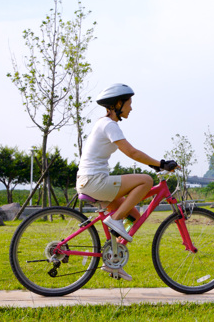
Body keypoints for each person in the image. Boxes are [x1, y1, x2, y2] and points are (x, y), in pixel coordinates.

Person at [75, 83, 178, 281]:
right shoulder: (109, 125)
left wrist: (156, 165)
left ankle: (113, 260)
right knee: (145, 181)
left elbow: (133, 153)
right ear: (117, 104)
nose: (131, 107)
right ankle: (115, 220)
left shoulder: (104, 124)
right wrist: (161, 164)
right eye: (129, 103)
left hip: (89, 181)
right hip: (94, 181)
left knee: (134, 216)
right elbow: (131, 152)